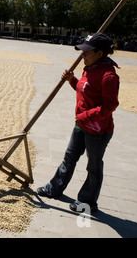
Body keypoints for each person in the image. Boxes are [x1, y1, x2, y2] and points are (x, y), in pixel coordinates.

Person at [37, 33, 120, 213]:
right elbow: (85, 91)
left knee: (93, 166)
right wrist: (72, 80)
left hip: (98, 130)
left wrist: (84, 117)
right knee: (69, 157)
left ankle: (87, 202)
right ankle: (55, 188)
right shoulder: (88, 68)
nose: (83, 55)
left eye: (87, 52)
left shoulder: (108, 76)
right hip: (81, 126)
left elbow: (110, 106)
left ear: (100, 53)